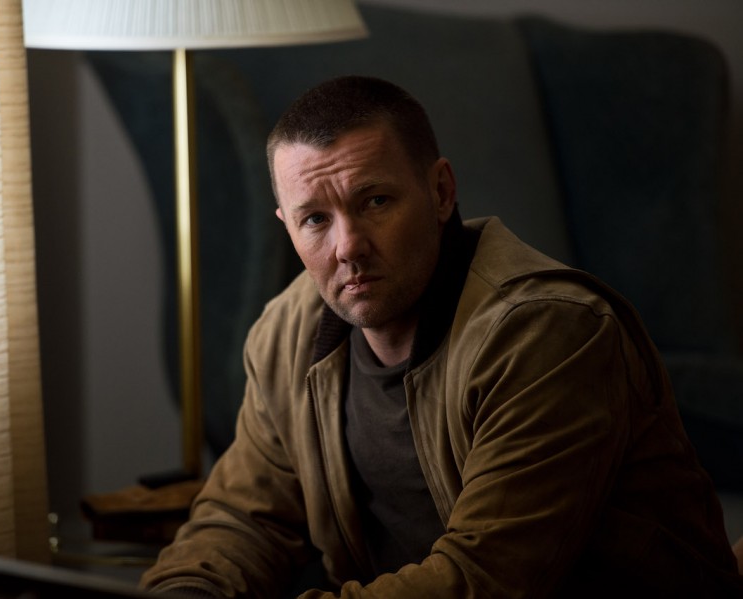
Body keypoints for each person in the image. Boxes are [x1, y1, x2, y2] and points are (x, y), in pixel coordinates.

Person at [140, 76, 742, 598]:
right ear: (288, 228)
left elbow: (483, 579)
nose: (347, 247)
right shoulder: (286, 333)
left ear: (441, 192)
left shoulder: (547, 333)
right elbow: (242, 520)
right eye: (315, 219)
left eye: (375, 201)